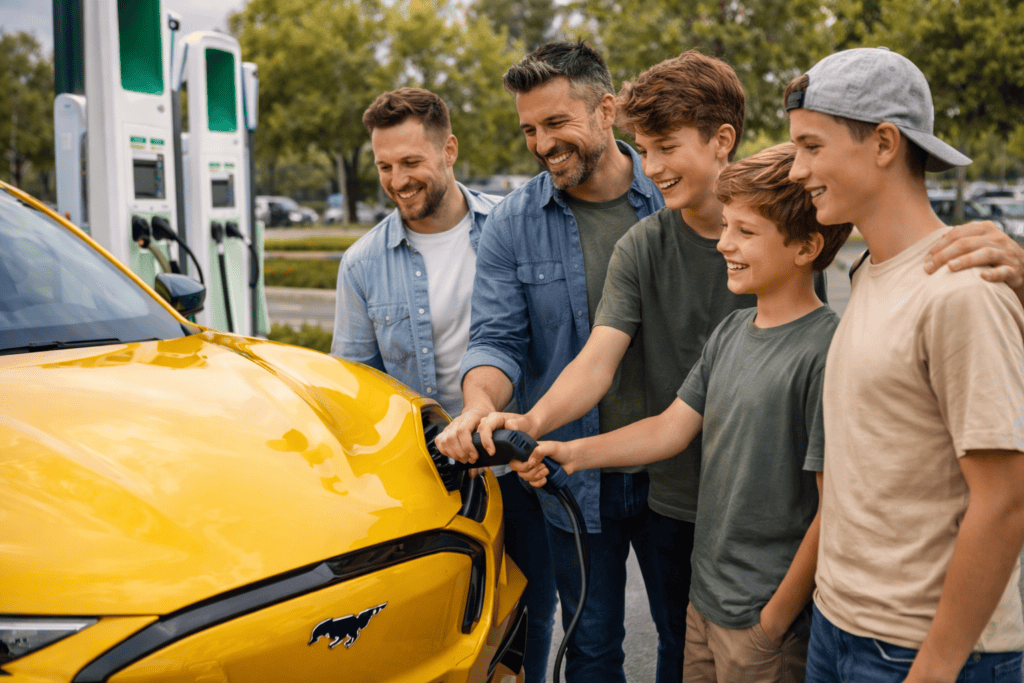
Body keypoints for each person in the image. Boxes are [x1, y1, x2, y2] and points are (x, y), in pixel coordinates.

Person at [515, 142, 852, 682]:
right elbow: (669, 428)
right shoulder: (730, 333)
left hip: (764, 625)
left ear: (807, 247)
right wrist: (570, 452)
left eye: (746, 232)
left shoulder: (826, 350)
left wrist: (773, 621)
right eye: (726, 227)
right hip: (705, 605)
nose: (724, 244)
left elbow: (830, 509)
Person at [434, 41, 678, 683]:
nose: (542, 143)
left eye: (556, 123)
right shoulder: (514, 222)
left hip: (678, 469)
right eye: (530, 130)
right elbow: (497, 339)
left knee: (687, 643)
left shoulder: (675, 196)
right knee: (592, 648)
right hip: (569, 470)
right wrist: (481, 404)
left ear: (606, 110)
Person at [784, 47, 1024, 682]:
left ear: (885, 142)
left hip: (916, 653)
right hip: (838, 630)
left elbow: (1005, 499)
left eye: (811, 146)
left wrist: (936, 666)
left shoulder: (960, 290)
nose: (796, 170)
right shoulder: (871, 271)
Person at [329, 87, 557, 683]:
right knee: (442, 640)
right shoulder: (361, 264)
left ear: (448, 149)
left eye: (410, 163)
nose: (397, 180)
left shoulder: (511, 229)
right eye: (384, 166)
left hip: (520, 467)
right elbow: (354, 388)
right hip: (436, 485)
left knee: (528, 630)